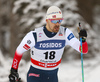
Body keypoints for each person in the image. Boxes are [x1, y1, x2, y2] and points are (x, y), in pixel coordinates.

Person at [9, 6, 88, 82]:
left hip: (52, 77)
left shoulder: (65, 33)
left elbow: (83, 50)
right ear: (47, 20)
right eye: (54, 21)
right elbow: (19, 51)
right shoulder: (34, 35)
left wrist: (83, 40)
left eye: (59, 20)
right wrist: (14, 71)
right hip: (35, 75)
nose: (57, 24)